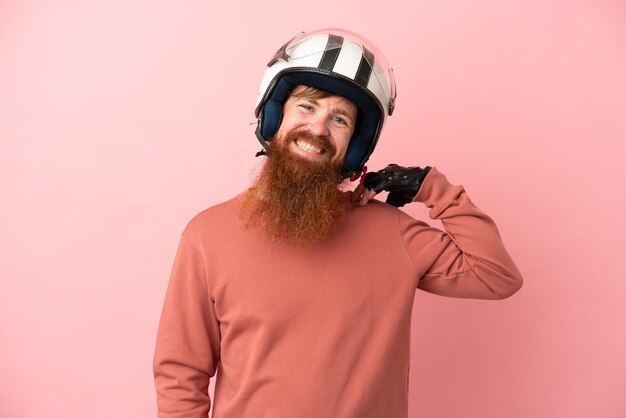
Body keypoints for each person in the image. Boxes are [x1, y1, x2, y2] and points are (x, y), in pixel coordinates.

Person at [153, 28, 523, 418]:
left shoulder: (392, 233)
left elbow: (496, 276)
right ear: (274, 114)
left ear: (356, 144)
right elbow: (182, 373)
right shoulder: (208, 235)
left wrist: (431, 187)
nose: (319, 129)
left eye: (340, 119)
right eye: (308, 107)